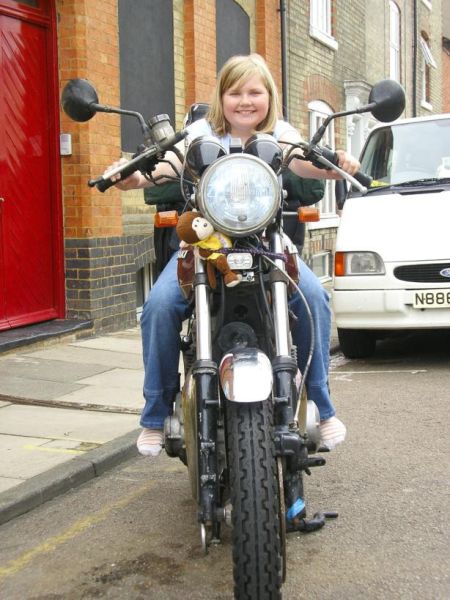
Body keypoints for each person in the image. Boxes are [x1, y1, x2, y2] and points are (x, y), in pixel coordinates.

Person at [107, 54, 360, 457]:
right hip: (204, 245)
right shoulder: (199, 133)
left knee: (314, 298)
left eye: (254, 92)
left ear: (269, 96)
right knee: (158, 306)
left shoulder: (280, 133)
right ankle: (155, 415)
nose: (245, 101)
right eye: (235, 92)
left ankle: (322, 408)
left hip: (269, 243)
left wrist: (335, 165)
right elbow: (162, 168)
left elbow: (303, 161)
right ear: (221, 96)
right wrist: (129, 176)